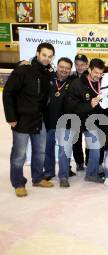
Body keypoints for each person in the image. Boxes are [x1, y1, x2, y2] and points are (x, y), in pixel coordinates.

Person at [3, 42, 55, 197]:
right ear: (38, 53)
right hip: (22, 120)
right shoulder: (23, 70)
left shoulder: (47, 73)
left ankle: (38, 178)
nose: (47, 58)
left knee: (40, 151)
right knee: (19, 154)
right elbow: (8, 93)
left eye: (50, 56)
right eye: (44, 55)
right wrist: (11, 117)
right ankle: (18, 183)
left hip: (39, 119)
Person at [63, 58, 107, 184]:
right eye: (95, 73)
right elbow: (70, 106)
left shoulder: (102, 83)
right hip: (76, 120)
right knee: (66, 147)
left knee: (96, 147)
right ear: (89, 70)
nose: (98, 76)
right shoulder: (77, 83)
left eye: (100, 73)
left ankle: (91, 174)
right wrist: (89, 105)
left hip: (91, 121)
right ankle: (64, 175)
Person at [42, 57, 76, 186]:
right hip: (48, 121)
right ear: (57, 66)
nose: (64, 70)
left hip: (66, 123)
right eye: (62, 67)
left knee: (64, 150)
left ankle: (63, 176)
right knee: (48, 148)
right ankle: (49, 172)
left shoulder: (73, 81)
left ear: (70, 70)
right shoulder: (48, 78)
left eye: (67, 68)